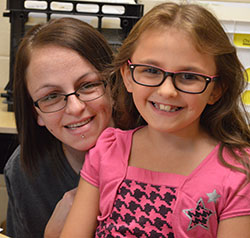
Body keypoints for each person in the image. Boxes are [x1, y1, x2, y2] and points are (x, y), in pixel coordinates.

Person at [60, 2, 250, 237]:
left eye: (189, 76)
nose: (167, 91)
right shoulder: (107, 150)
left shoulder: (237, 172)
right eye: (151, 71)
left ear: (216, 89)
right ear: (127, 76)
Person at [4, 17, 116, 238]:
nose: (75, 108)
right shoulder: (24, 171)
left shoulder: (154, 154)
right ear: (36, 113)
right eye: (52, 96)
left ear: (113, 85)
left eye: (88, 85)